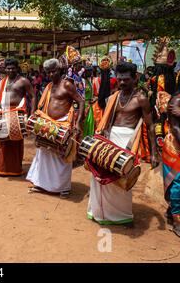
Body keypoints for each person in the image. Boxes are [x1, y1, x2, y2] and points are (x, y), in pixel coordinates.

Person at [87, 62, 159, 225]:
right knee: (99, 176)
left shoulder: (141, 99)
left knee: (121, 178)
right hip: (110, 139)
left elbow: (151, 126)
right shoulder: (114, 97)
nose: (121, 83)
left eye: (125, 79)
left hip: (127, 142)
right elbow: (107, 121)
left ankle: (121, 216)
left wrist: (154, 153)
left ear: (135, 79)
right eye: (119, 79)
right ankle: (99, 213)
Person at [26, 59, 84, 197]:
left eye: (54, 71)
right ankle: (42, 184)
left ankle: (63, 187)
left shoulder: (67, 85)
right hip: (48, 124)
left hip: (63, 124)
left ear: (60, 71)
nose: (51, 74)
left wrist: (78, 123)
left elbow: (81, 101)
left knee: (61, 156)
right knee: (44, 154)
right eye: (49, 72)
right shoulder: (49, 86)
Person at [0, 58, 36, 177]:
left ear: (17, 68)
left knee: (16, 142)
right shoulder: (2, 81)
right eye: (8, 68)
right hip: (4, 112)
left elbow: (32, 96)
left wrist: (32, 113)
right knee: (2, 142)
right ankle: (1, 169)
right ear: (5, 69)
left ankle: (16, 169)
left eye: (13, 68)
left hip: (17, 114)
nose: (10, 70)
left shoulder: (23, 81)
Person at [162, 91, 180, 236]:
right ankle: (177, 220)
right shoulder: (176, 102)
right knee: (177, 182)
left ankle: (171, 211)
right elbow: (175, 128)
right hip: (176, 145)